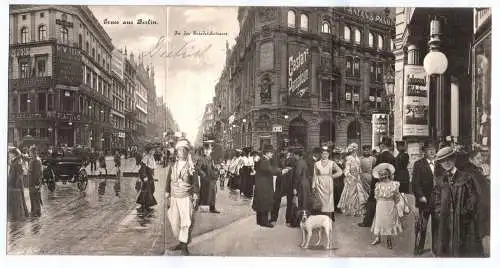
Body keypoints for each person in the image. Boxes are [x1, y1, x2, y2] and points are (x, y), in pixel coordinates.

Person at [432, 146, 482, 257]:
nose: (446, 162)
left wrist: (465, 213)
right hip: (446, 223)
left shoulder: (467, 177)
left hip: (463, 222)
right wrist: (440, 213)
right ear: (440, 163)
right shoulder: (440, 181)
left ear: (454, 159)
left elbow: (474, 198)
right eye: (443, 161)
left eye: (449, 158)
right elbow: (436, 200)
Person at [165, 139, 199, 255]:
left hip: (186, 197)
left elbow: (195, 182)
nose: (181, 152)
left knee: (186, 222)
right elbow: (167, 180)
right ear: (177, 152)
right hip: (174, 196)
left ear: (187, 152)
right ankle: (181, 242)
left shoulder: (191, 167)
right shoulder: (173, 166)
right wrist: (167, 193)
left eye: (184, 150)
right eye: (179, 150)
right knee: (175, 222)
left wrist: (195, 194)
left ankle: (184, 246)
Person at [412, 142, 443, 256]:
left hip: (437, 201)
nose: (431, 151)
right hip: (424, 201)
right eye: (429, 149)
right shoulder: (418, 164)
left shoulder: (440, 164)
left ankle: (436, 249)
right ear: (424, 152)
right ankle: (418, 248)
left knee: (437, 226)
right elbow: (415, 183)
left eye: (433, 149)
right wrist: (421, 196)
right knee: (422, 226)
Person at [358, 137, 396, 227]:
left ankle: (367, 222)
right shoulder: (392, 156)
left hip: (378, 182)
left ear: (382, 146)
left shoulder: (381, 156)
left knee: (372, 201)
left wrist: (374, 183)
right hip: (388, 182)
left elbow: (377, 171)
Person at [461, 149, 490, 257]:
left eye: (481, 157)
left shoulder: (473, 170)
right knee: (476, 235)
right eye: (478, 158)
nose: (480, 160)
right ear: (471, 160)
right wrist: (487, 177)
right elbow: (482, 191)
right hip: (475, 209)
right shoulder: (472, 172)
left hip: (474, 208)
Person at [252, 145, 290, 228]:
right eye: (271, 153)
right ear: (267, 153)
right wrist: (282, 171)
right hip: (264, 185)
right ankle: (265, 222)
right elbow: (270, 170)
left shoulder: (262, 159)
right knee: (265, 202)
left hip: (260, 184)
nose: (272, 154)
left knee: (260, 203)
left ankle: (260, 221)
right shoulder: (264, 160)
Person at [370, 163, 402, 249]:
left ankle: (389, 239)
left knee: (389, 222)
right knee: (379, 220)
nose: (383, 176)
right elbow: (376, 196)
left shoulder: (394, 184)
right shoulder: (378, 185)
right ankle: (378, 237)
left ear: (388, 173)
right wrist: (378, 205)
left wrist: (395, 205)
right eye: (381, 174)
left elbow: (397, 196)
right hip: (380, 205)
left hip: (390, 205)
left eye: (385, 174)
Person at [311, 146, 343, 221]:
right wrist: (313, 185)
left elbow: (340, 172)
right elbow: (314, 175)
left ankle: (328, 218)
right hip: (319, 184)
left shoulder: (332, 163)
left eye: (326, 154)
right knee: (320, 201)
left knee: (328, 201)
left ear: (328, 154)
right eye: (323, 153)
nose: (324, 155)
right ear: (321, 154)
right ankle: (320, 218)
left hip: (328, 184)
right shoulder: (316, 164)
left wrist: (332, 176)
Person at [337, 143, 369, 217]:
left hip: (357, 177)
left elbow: (359, 168)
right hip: (351, 178)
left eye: (356, 149)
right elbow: (346, 170)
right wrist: (351, 176)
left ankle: (357, 210)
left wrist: (359, 174)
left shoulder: (357, 158)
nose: (356, 151)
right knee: (351, 194)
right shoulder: (349, 158)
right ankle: (351, 209)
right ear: (352, 150)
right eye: (355, 149)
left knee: (359, 193)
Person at [271, 148, 295, 225]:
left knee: (290, 202)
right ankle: (273, 219)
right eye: (284, 150)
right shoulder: (278, 158)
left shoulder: (293, 159)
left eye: (287, 150)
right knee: (276, 201)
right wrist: (283, 169)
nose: (285, 152)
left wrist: (289, 169)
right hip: (280, 182)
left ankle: (288, 220)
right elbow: (275, 168)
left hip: (290, 182)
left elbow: (295, 169)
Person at [197, 142, 220, 213]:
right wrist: (203, 174)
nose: (207, 151)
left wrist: (216, 168)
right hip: (205, 179)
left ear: (211, 150)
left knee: (212, 193)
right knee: (204, 193)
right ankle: (201, 207)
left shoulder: (210, 158)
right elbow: (198, 168)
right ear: (203, 150)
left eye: (208, 149)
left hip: (211, 179)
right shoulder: (201, 159)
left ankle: (212, 207)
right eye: (205, 149)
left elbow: (212, 167)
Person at [7, 147, 29, 221]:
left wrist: (15, 184)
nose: (9, 155)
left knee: (20, 199)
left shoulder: (17, 162)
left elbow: (19, 174)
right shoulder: (14, 161)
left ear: (14, 154)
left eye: (10, 154)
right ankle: (22, 214)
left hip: (17, 184)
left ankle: (21, 214)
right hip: (14, 182)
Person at [135, 145, 157, 211]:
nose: (153, 151)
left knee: (152, 189)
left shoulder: (152, 157)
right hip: (146, 176)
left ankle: (147, 204)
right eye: (152, 150)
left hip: (150, 176)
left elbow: (152, 168)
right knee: (146, 190)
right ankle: (143, 204)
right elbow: (143, 168)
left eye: (154, 150)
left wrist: (153, 175)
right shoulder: (146, 157)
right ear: (149, 151)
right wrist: (144, 177)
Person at [28, 146, 43, 217]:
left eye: (30, 151)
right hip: (36, 181)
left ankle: (35, 212)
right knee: (37, 196)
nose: (29, 153)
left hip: (33, 182)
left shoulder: (34, 160)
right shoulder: (38, 159)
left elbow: (35, 173)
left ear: (33, 152)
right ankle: (36, 211)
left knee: (34, 196)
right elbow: (40, 172)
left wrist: (35, 182)